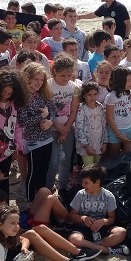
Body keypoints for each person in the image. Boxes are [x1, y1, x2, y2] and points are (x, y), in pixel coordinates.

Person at [0, 68, 28, 198]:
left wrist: (17, 144)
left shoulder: (13, 103)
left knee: (4, 185)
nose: (6, 95)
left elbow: (16, 124)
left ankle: (5, 208)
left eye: (9, 93)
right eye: (4, 91)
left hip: (7, 153)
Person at [68, 165, 129, 256]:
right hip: (84, 228)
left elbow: (112, 219)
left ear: (97, 182)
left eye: (86, 182)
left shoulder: (109, 196)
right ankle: (108, 251)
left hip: (101, 230)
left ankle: (90, 247)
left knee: (121, 232)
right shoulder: (80, 194)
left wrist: (103, 221)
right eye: (82, 182)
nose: (83, 185)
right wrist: (84, 218)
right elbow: (72, 215)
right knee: (74, 238)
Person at [18, 63, 56, 201]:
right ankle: (30, 201)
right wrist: (42, 116)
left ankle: (41, 199)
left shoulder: (43, 94)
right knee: (33, 172)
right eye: (36, 79)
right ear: (28, 78)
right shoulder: (23, 97)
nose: (39, 83)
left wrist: (50, 120)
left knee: (43, 171)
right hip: (33, 140)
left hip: (46, 138)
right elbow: (23, 121)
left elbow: (52, 110)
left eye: (41, 80)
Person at [47, 55, 81, 193]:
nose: (66, 78)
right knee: (53, 161)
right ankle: (48, 188)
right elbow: (46, 109)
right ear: (55, 71)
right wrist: (58, 127)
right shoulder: (47, 86)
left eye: (69, 75)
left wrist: (65, 129)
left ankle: (62, 187)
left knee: (66, 159)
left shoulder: (75, 87)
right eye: (63, 75)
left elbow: (74, 110)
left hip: (68, 128)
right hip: (51, 128)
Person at [105, 66, 131, 159]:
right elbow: (109, 118)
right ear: (120, 80)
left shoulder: (129, 93)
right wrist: (118, 135)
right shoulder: (111, 96)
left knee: (130, 156)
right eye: (128, 80)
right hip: (115, 131)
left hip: (129, 128)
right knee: (114, 157)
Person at [74, 81, 107, 166]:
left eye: (95, 94)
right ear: (84, 95)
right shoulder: (81, 109)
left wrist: (104, 142)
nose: (93, 97)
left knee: (96, 167)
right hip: (86, 146)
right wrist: (86, 145)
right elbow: (79, 128)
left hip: (98, 144)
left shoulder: (100, 107)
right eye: (89, 95)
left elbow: (104, 125)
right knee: (88, 168)